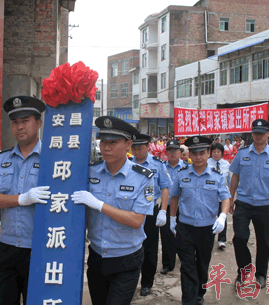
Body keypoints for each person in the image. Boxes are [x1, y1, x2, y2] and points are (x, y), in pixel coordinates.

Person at [70, 116, 155, 305]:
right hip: (97, 255)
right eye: (103, 142)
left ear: (128, 144)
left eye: (113, 142)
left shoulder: (143, 177)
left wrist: (99, 205)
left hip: (126, 258)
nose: (106, 148)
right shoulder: (90, 172)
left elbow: (136, 220)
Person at [0, 96, 50, 305]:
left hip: (38, 248)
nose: (20, 127)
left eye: (25, 121)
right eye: (15, 122)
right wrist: (22, 199)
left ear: (38, 123)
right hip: (7, 248)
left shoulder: (52, 159)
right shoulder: (2, 159)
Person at [229, 119, 269, 289]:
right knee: (239, 238)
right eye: (255, 133)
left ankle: (261, 274)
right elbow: (235, 176)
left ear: (268, 134)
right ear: (252, 133)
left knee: (264, 242)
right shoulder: (242, 154)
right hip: (243, 203)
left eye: (262, 133)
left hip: (264, 206)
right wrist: (230, 199)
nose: (258, 136)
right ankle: (244, 270)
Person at [170, 136, 230, 305]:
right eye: (194, 153)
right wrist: (172, 219)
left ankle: (199, 293)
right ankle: (188, 300)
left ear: (208, 153)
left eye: (202, 153)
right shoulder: (182, 174)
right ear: (189, 154)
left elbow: (226, 198)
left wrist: (223, 216)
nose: (198, 157)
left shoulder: (217, 176)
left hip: (206, 228)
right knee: (187, 266)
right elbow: (174, 197)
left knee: (203, 264)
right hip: (185, 228)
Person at [131, 134, 173, 296]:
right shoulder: (128, 163)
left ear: (148, 147)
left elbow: (165, 188)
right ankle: (131, 280)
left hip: (150, 211)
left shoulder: (157, 164)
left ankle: (147, 283)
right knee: (131, 246)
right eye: (134, 148)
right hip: (131, 211)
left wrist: (163, 210)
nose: (137, 151)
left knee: (150, 248)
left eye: (140, 148)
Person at [160, 139, 187, 275]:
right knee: (166, 235)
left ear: (180, 152)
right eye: (169, 151)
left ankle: (185, 260)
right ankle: (168, 263)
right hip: (166, 205)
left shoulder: (187, 167)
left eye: (175, 150)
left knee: (183, 235)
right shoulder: (161, 167)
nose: (172, 153)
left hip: (183, 207)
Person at [207, 142, 230, 250]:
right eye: (214, 152)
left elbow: (229, 182)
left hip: (222, 197)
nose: (216, 154)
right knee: (210, 217)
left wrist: (229, 196)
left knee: (222, 217)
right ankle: (209, 237)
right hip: (209, 196)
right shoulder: (206, 164)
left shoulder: (226, 165)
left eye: (218, 152)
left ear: (222, 153)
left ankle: (221, 239)